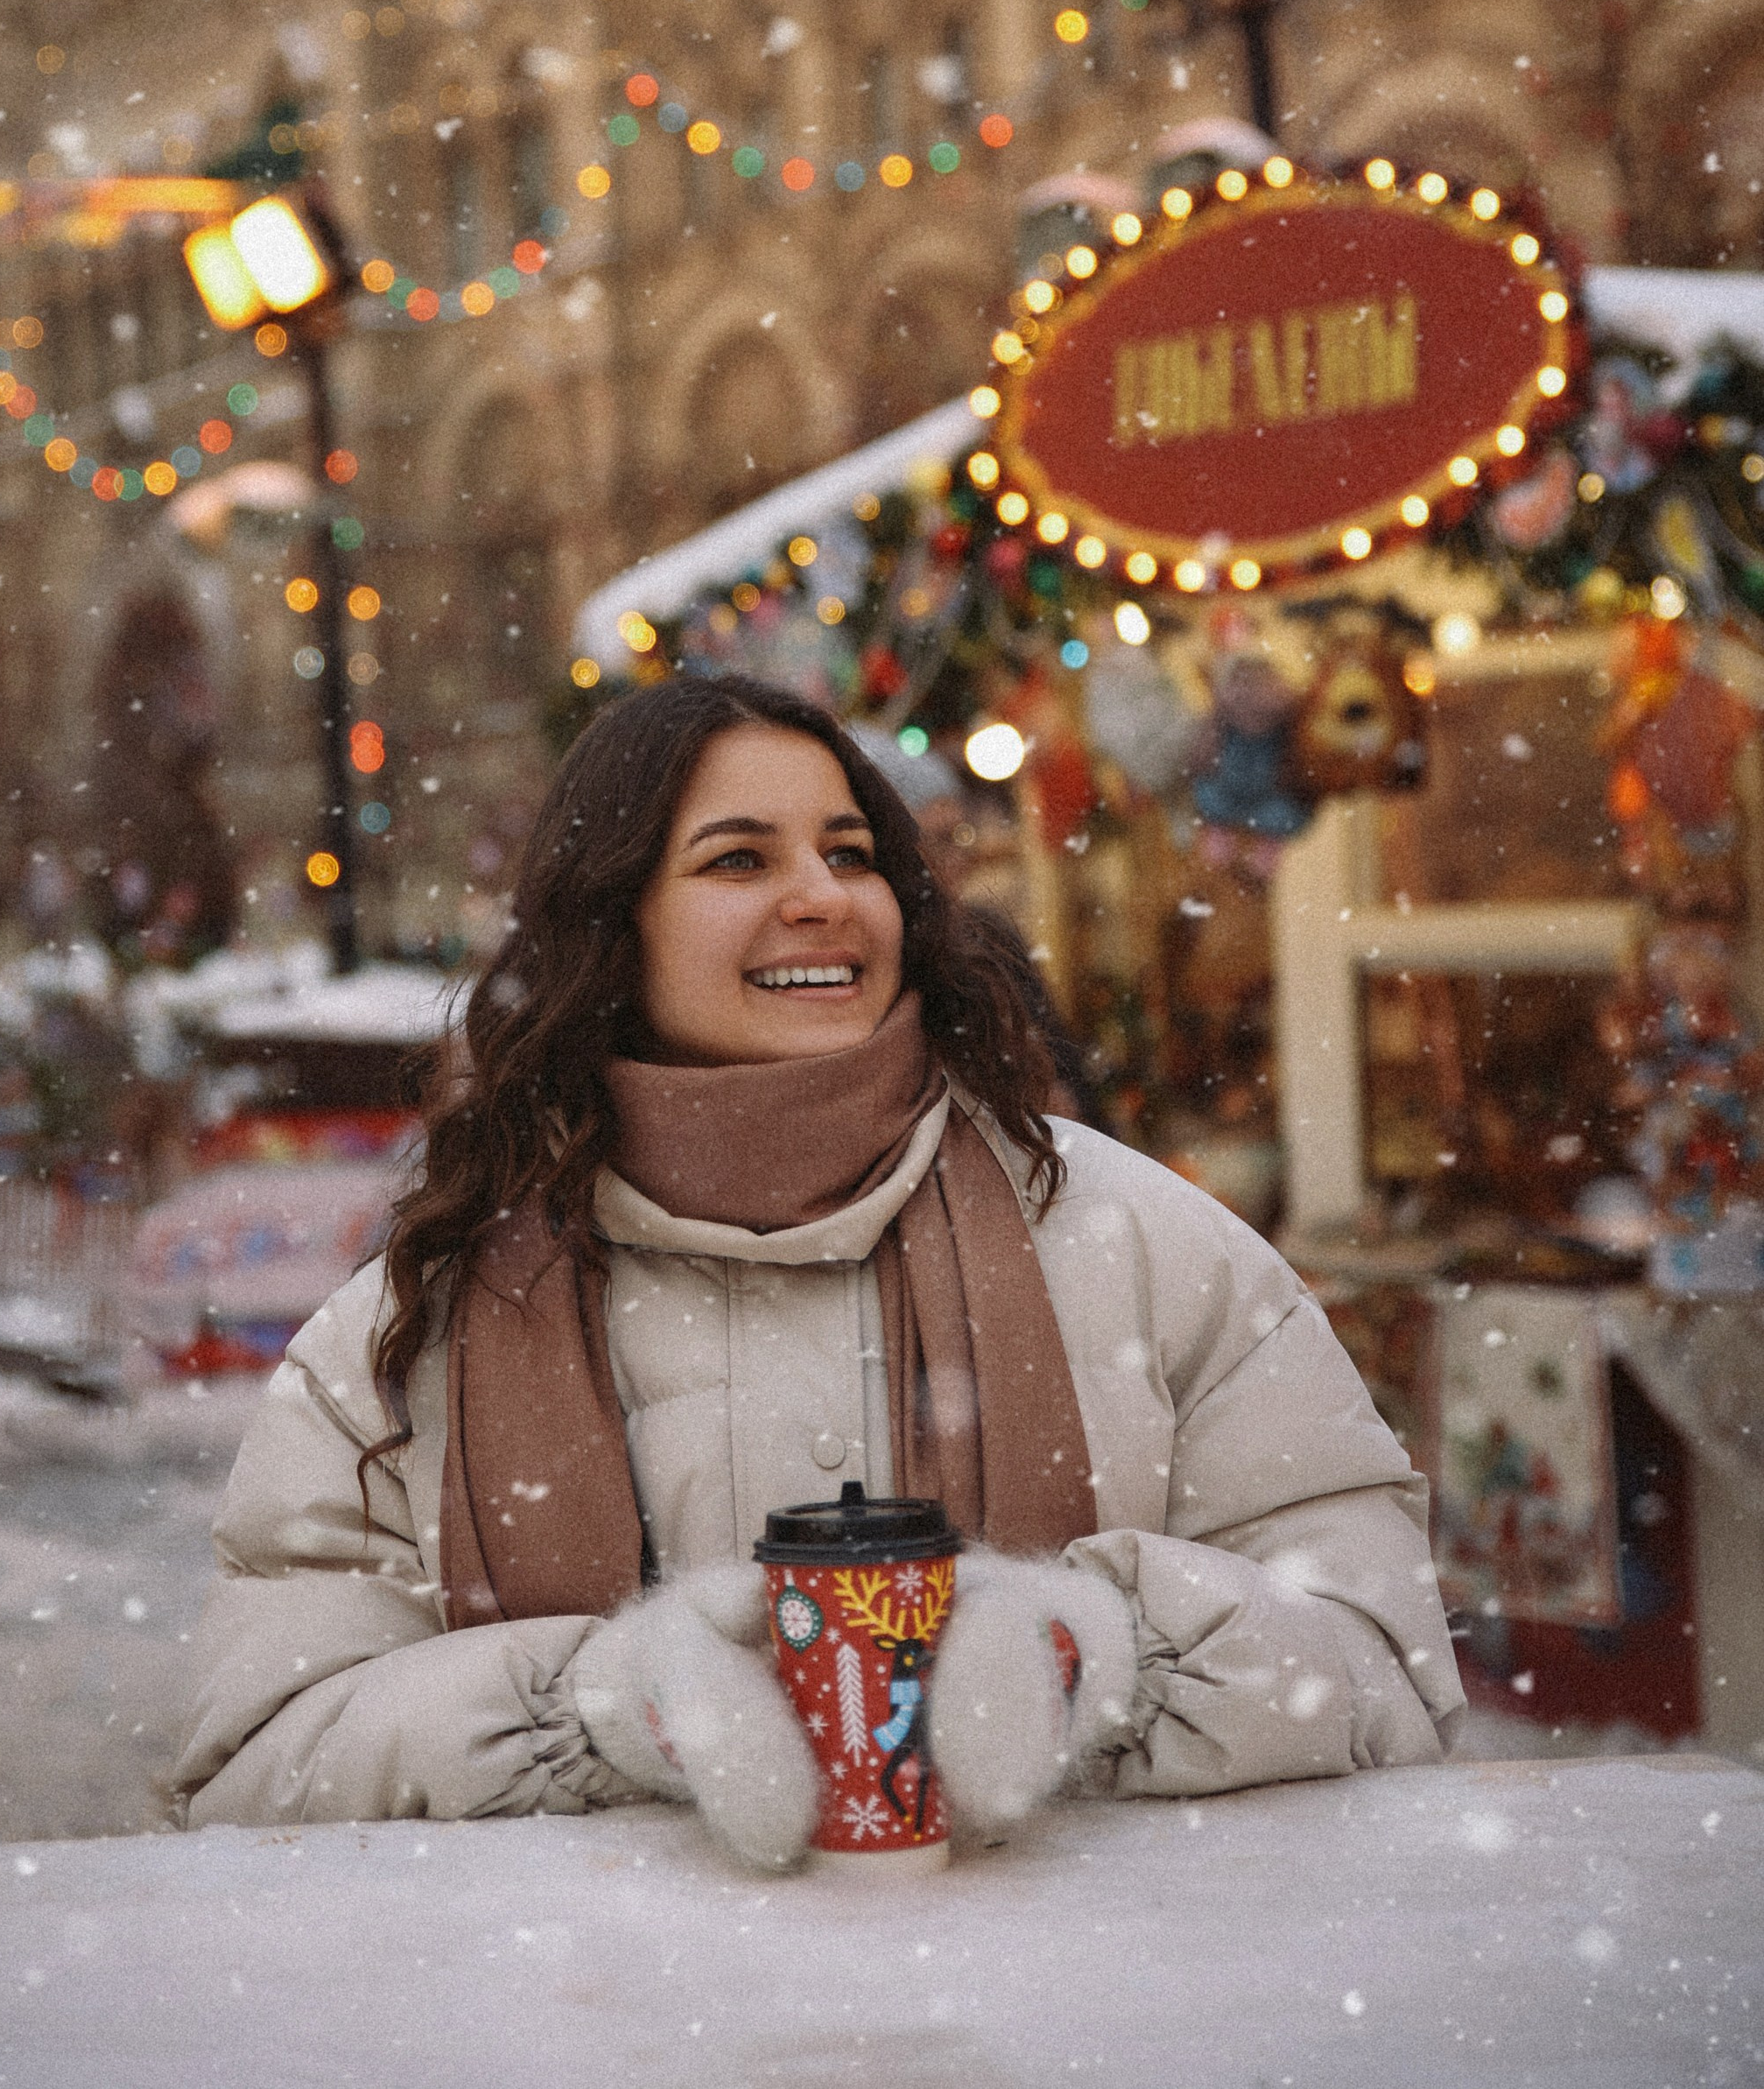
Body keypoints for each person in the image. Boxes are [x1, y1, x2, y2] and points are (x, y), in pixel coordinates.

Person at [172, 677, 1461, 1864]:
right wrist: (602, 1707)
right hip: (596, 2034)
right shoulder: (423, 1316)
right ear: (608, 924)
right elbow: (257, 1755)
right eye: (739, 858)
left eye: (850, 854)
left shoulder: (1133, 1239)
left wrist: (1091, 1657)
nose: (823, 897)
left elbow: (1380, 1667)